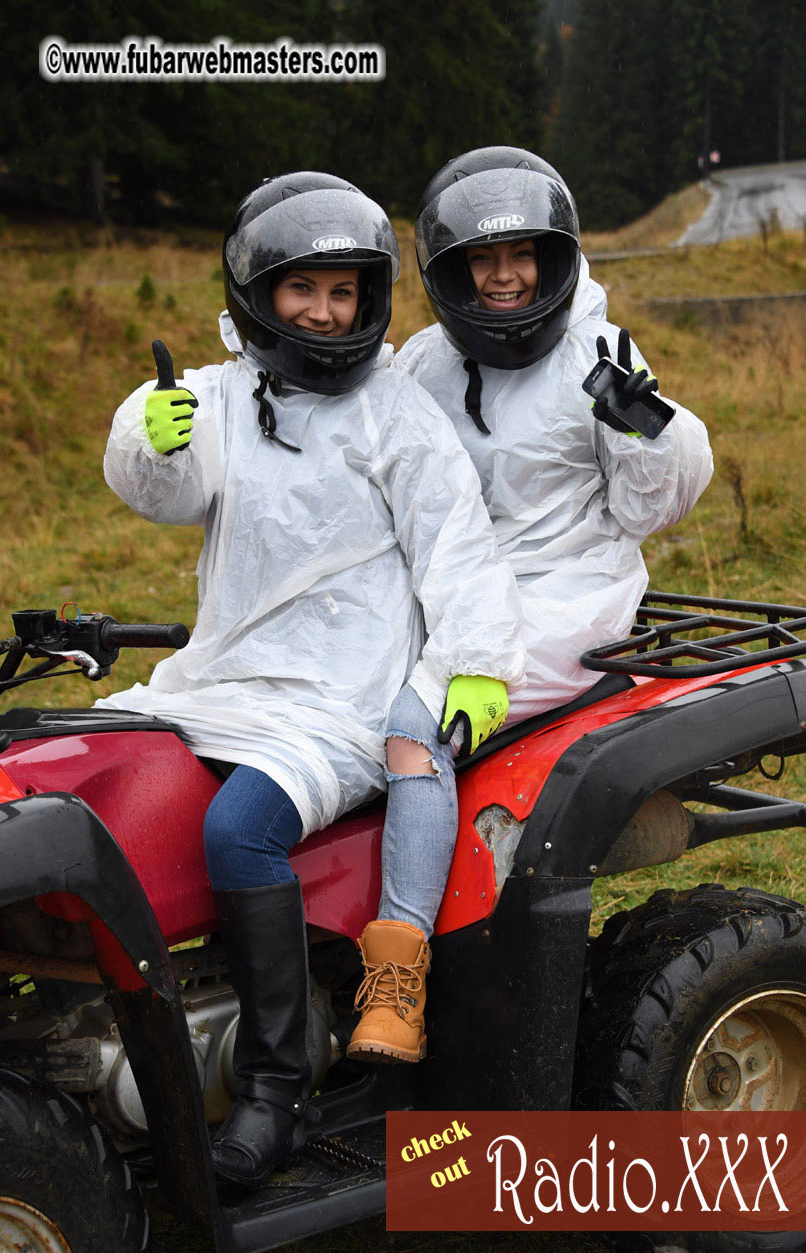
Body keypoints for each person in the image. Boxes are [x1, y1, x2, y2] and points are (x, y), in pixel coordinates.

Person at [96, 172, 526, 1185]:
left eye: (343, 292)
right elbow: (167, 488)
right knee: (84, 791)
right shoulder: (216, 396)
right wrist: (148, 436)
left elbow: (458, 548)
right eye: (302, 290)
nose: (325, 312)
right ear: (257, 293)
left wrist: (473, 667)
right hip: (218, 680)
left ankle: (275, 1089)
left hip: (338, 700)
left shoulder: (394, 413)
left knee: (236, 832)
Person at [347, 146, 714, 1062]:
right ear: (450, 270)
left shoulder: (597, 350)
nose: (504, 276)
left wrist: (644, 429)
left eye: (521, 255)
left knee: (415, 723)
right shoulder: (425, 362)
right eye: (482, 258)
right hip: (453, 589)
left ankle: (399, 975)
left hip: (563, 595)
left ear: (553, 259)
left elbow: (648, 509)